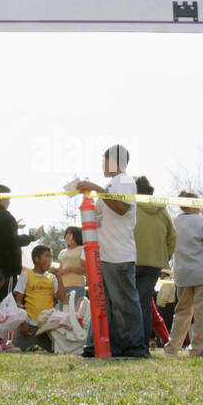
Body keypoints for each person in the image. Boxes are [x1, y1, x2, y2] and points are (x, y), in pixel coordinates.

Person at [75, 144, 148, 358]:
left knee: (124, 303)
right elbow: (103, 216)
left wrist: (96, 188)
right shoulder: (112, 184)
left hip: (119, 254)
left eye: (104, 160)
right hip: (104, 254)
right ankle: (100, 345)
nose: (102, 165)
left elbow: (122, 208)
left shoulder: (124, 181)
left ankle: (133, 347)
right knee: (103, 303)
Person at [165, 191, 203, 358]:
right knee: (202, 312)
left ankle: (172, 347)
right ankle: (197, 348)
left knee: (182, 311)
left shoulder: (173, 222)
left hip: (183, 274)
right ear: (194, 204)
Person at [132, 176, 176, 350]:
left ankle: (131, 343)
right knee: (144, 302)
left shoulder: (130, 207)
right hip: (154, 264)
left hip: (131, 261)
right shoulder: (163, 210)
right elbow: (172, 237)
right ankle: (142, 345)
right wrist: (164, 259)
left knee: (129, 302)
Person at [0, 184, 41, 301]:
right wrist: (31, 237)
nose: (9, 202)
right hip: (5, 269)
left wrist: (13, 226)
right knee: (5, 302)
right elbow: (12, 241)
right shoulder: (6, 217)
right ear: (0, 197)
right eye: (8, 198)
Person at [12, 244, 67, 352]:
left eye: (51, 256)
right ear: (37, 259)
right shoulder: (26, 274)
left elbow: (62, 297)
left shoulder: (52, 278)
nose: (50, 260)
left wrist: (59, 276)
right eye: (47, 256)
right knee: (18, 350)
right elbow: (18, 300)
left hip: (46, 327)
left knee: (48, 353)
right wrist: (23, 322)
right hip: (29, 325)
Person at [55, 226, 88, 306]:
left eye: (70, 234)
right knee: (63, 316)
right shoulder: (62, 252)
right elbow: (60, 269)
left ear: (77, 235)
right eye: (66, 234)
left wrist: (70, 269)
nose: (67, 236)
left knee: (74, 316)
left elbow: (86, 269)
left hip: (76, 287)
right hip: (62, 288)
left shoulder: (82, 249)